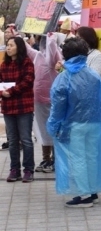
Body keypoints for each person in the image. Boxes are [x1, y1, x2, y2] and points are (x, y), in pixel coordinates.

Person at [47, 38, 101, 208]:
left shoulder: (64, 78)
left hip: (75, 125)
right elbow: (100, 102)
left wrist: (54, 126)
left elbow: (58, 107)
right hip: (95, 124)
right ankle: (92, 190)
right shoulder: (94, 76)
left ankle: (84, 194)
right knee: (92, 156)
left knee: (78, 159)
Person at [26, 33, 62, 173]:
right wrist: (16, 34)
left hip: (53, 99)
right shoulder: (38, 56)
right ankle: (46, 158)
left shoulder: (56, 56)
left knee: (54, 130)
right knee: (42, 130)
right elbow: (27, 49)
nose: (44, 43)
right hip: (38, 100)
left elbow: (52, 51)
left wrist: (51, 38)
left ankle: (55, 159)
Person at [0, 37, 35, 182]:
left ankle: (28, 169)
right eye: (7, 45)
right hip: (8, 107)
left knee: (26, 139)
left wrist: (11, 91)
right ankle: (14, 169)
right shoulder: (4, 65)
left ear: (19, 47)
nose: (8, 48)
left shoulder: (27, 63)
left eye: (11, 45)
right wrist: (2, 93)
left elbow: (27, 82)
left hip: (23, 106)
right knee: (13, 140)